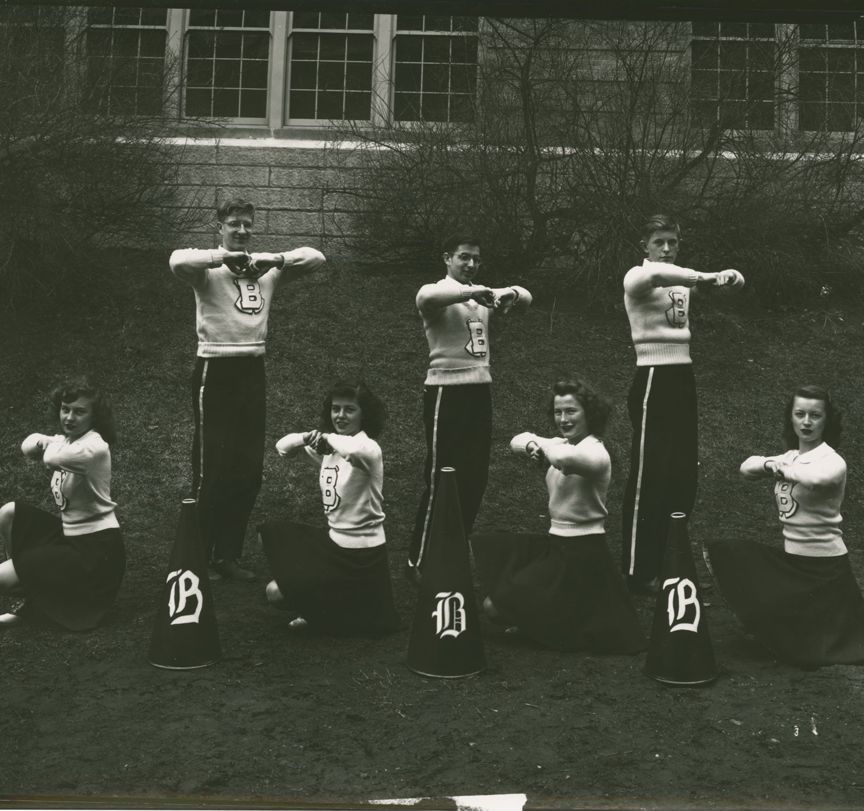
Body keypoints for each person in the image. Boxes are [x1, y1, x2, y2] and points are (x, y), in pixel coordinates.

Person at [169, 199, 326, 581]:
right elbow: (176, 260)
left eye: (247, 225)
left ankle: (226, 555)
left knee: (247, 469)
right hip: (215, 368)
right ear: (220, 227)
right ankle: (195, 557)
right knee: (211, 469)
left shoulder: (265, 269)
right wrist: (221, 259)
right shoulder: (208, 271)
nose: (241, 231)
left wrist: (271, 259)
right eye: (234, 224)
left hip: (252, 369)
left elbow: (316, 257)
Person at [705, 385, 864, 667]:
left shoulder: (832, 460)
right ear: (790, 417)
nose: (806, 422)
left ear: (827, 420)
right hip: (792, 563)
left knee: (811, 655)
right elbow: (746, 467)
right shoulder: (788, 456)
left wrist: (782, 468)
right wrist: (771, 464)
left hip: (825, 569)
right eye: (799, 414)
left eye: (815, 415)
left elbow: (816, 480)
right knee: (729, 552)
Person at [471, 380, 646, 654]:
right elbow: (516, 440)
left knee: (496, 608)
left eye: (571, 411)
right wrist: (532, 444)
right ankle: (549, 622)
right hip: (556, 546)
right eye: (558, 412)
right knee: (494, 609)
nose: (563, 419)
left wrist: (541, 445)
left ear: (590, 413)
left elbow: (564, 459)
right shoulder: (560, 444)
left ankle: (552, 624)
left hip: (585, 553)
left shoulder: (597, 453)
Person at [621, 213, 745, 595]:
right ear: (645, 245)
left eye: (673, 241)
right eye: (659, 241)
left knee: (682, 475)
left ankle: (668, 561)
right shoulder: (637, 276)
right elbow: (657, 277)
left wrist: (730, 275)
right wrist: (706, 276)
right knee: (650, 474)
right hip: (653, 376)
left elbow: (731, 282)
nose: (667, 248)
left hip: (682, 376)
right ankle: (636, 569)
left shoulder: (683, 278)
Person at [407, 233, 532, 585]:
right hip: (445, 391)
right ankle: (418, 560)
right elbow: (426, 296)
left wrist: (508, 293)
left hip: (480, 392)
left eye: (476, 259)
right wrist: (472, 292)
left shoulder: (482, 294)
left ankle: (452, 554)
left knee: (474, 479)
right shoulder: (440, 292)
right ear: (447, 258)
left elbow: (526, 296)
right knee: (440, 478)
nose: (471, 265)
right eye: (464, 257)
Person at [260, 380, 401, 636]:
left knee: (362, 625)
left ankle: (330, 611)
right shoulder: (330, 449)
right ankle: (325, 609)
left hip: (363, 556)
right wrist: (307, 438)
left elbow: (354, 450)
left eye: (350, 409)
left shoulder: (369, 449)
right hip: (333, 545)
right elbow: (282, 448)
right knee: (275, 590)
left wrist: (326, 438)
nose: (341, 415)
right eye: (336, 409)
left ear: (364, 415)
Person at [0, 378, 126, 630]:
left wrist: (49, 442)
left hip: (94, 551)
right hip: (69, 537)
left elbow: (50, 457)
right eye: (65, 409)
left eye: (80, 411)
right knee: (9, 512)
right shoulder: (70, 440)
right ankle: (34, 598)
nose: (70, 418)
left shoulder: (94, 447)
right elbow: (28, 446)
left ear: (95, 417)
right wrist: (47, 440)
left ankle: (37, 601)